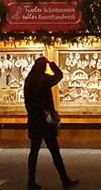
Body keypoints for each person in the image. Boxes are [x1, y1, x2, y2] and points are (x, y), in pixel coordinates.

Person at [23, 57, 78, 189]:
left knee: (34, 152)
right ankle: (65, 180)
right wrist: (52, 64)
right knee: (55, 152)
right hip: (45, 122)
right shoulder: (43, 80)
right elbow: (59, 76)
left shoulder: (29, 80)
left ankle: (31, 181)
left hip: (34, 121)